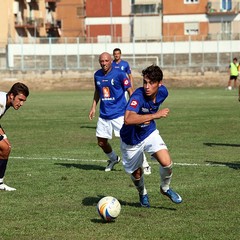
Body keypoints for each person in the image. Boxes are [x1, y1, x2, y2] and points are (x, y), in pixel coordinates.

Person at [120, 65, 182, 207]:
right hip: (131, 140)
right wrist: (154, 115)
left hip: (149, 133)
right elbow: (128, 119)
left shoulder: (163, 92)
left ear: (159, 84)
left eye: (151, 83)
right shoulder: (137, 96)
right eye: (145, 82)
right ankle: (142, 193)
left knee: (167, 163)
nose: (147, 86)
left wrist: (148, 118)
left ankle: (165, 188)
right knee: (136, 174)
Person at [89, 52, 133, 172]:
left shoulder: (120, 73)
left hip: (119, 113)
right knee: (101, 142)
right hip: (104, 114)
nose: (104, 63)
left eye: (106, 61)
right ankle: (113, 159)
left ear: (111, 61)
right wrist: (93, 107)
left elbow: (130, 90)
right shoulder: (97, 75)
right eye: (101, 61)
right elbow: (97, 91)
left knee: (128, 140)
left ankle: (143, 164)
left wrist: (133, 108)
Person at [112, 48, 152, 175]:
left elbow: (129, 76)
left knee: (132, 134)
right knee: (126, 136)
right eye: (115, 54)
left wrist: (131, 89)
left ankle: (144, 164)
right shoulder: (111, 66)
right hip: (115, 103)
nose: (116, 56)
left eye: (118, 54)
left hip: (124, 100)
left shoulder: (125, 64)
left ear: (120, 55)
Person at [0, 82, 29, 191]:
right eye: (20, 100)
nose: (21, 104)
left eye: (23, 101)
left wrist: (4, 135)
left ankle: (0, 182)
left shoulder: (6, 100)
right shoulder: (1, 103)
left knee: (6, 148)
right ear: (12, 96)